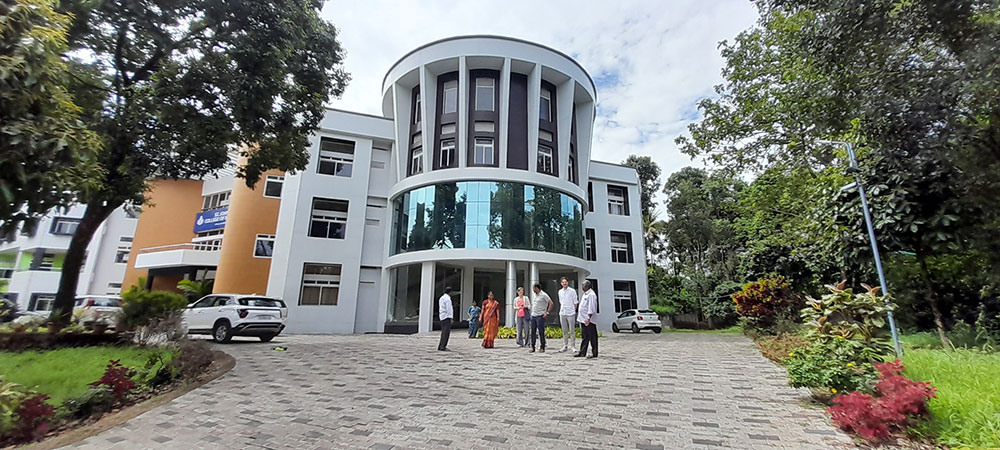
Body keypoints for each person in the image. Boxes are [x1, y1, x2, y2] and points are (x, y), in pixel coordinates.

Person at [575, 280, 598, 359]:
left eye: (583, 285)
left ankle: (594, 353)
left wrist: (588, 318)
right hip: (583, 319)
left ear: (586, 286)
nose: (582, 287)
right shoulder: (585, 294)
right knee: (585, 336)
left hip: (589, 320)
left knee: (592, 337)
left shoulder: (591, 295)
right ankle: (582, 352)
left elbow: (591, 307)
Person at [557, 277, 579, 353]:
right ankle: (565, 345)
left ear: (568, 282)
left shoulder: (572, 291)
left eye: (565, 282)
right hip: (563, 312)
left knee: (572, 331)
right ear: (561, 283)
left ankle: (573, 346)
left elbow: (575, 302)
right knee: (564, 331)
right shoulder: (560, 292)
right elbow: (561, 302)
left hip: (571, 313)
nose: (564, 283)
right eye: (563, 282)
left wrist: (573, 310)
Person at [529, 283, 552, 353]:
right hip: (533, 315)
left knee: (541, 331)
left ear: (537, 288)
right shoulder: (535, 296)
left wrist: (547, 312)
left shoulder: (544, 295)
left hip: (540, 315)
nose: (533, 290)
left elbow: (551, 303)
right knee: (533, 332)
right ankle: (532, 346)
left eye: (534, 288)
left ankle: (542, 346)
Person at [438, 286, 454, 351]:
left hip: (442, 316)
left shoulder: (441, 298)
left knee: (443, 332)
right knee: (446, 332)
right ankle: (443, 346)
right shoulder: (447, 299)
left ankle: (441, 345)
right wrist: (451, 317)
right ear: (450, 292)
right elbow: (449, 309)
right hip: (446, 316)